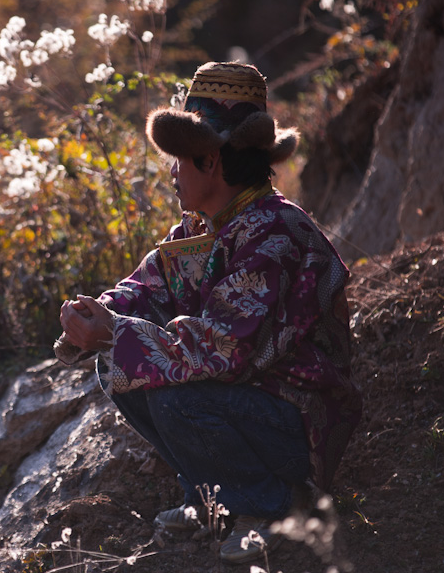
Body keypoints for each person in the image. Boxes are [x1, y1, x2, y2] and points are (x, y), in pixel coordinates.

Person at [55, 62, 362, 564]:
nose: (172, 171)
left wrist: (115, 332)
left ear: (210, 160)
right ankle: (211, 497)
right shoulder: (202, 230)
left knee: (177, 397)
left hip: (298, 421)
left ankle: (270, 506)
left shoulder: (274, 234)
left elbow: (224, 351)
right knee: (117, 364)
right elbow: (144, 289)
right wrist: (98, 313)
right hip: (250, 404)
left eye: (178, 159)